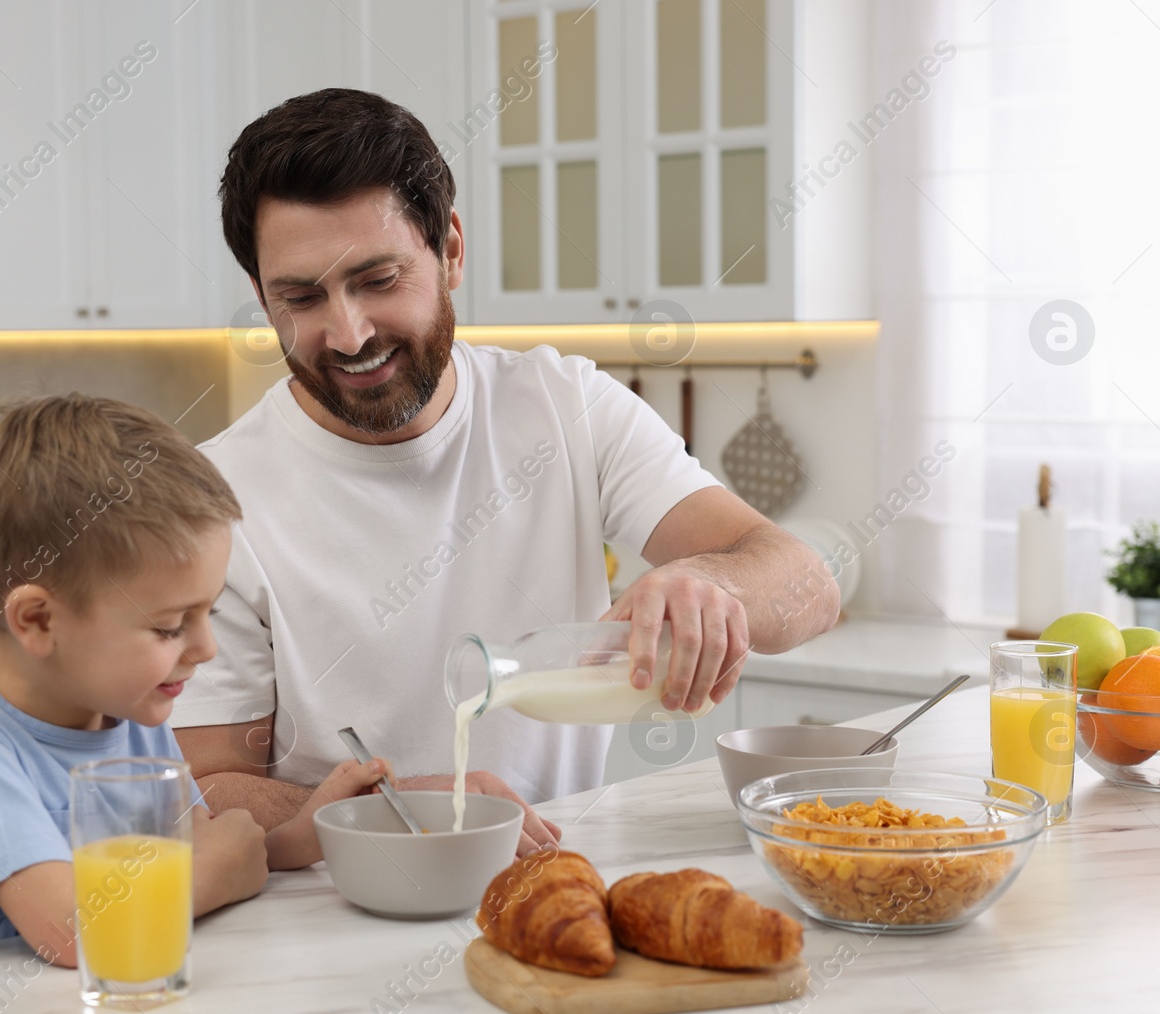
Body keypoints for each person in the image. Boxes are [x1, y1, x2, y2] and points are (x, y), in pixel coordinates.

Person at [173, 89, 840, 856]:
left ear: (451, 249)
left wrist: (713, 588)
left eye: (378, 279)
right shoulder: (213, 502)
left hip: (561, 889)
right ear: (261, 298)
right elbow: (210, 787)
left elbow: (808, 587)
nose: (349, 332)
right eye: (301, 296)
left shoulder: (565, 406)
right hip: (329, 920)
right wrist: (402, 809)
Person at [0, 394, 389, 964]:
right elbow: (72, 931)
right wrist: (219, 872)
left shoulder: (130, 709)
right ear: (38, 620)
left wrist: (300, 835)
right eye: (170, 627)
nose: (205, 649)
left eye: (208, 613)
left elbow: (202, 850)